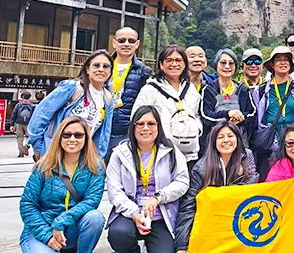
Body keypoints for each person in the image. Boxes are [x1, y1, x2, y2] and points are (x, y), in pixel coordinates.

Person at [105, 106, 189, 252]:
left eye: (151, 124)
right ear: (133, 126)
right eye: (140, 124)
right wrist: (134, 213)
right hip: (129, 214)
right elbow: (114, 190)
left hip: (161, 216)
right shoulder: (120, 153)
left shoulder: (171, 151)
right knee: (119, 234)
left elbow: (182, 181)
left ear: (158, 126)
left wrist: (158, 198)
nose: (145, 128)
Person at [19, 116, 106, 253]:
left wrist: (62, 221)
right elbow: (27, 204)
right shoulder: (44, 166)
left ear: (86, 138)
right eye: (66, 135)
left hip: (70, 228)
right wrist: (47, 237)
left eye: (78, 135)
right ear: (59, 138)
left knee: (94, 218)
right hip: (41, 231)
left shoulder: (95, 167)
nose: (72, 139)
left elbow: (92, 201)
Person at [174, 121, 258, 253]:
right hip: (212, 225)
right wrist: (182, 246)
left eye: (230, 136)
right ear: (213, 142)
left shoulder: (247, 156)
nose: (226, 140)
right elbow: (188, 207)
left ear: (237, 138)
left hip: (240, 222)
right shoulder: (201, 168)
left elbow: (252, 184)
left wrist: (222, 195)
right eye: (220, 137)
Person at [28, 50, 116, 161]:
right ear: (87, 69)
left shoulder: (107, 99)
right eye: (96, 65)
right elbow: (40, 115)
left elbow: (105, 135)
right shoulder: (72, 88)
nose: (101, 69)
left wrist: (98, 160)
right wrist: (40, 148)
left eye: (106, 66)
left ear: (110, 71)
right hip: (56, 155)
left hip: (83, 160)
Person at [133, 45, 203, 167]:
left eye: (178, 60)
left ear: (185, 64)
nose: (174, 64)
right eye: (169, 60)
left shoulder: (190, 88)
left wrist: (197, 129)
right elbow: (136, 117)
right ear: (161, 64)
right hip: (160, 152)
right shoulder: (150, 89)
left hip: (189, 152)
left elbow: (196, 114)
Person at [253, 46, 294, 180]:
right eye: (278, 60)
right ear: (272, 65)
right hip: (271, 146)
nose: (283, 62)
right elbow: (257, 118)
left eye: (286, 60)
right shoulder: (262, 90)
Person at [107, 27, 153, 156]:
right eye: (122, 40)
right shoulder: (103, 65)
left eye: (131, 41)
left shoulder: (144, 71)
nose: (126, 44)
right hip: (101, 127)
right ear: (114, 43)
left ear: (137, 44)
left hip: (127, 131)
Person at [198, 49, 247, 157]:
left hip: (239, 143)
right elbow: (205, 115)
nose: (227, 66)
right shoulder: (208, 90)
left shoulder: (242, 89)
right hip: (214, 145)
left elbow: (252, 113)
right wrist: (227, 114)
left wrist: (241, 117)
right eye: (223, 63)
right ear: (216, 65)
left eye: (231, 63)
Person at [11, 92, 35, 157]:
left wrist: (12, 124)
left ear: (22, 97)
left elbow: (14, 114)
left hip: (19, 123)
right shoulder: (32, 106)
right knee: (29, 137)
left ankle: (21, 152)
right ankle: (26, 146)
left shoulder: (18, 105)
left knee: (19, 137)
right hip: (29, 124)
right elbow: (35, 116)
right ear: (30, 97)